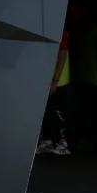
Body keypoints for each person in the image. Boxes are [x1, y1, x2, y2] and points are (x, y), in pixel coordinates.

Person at [36, 28, 75, 156]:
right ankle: (48, 142)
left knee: (59, 113)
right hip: (52, 80)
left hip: (59, 82)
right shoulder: (50, 30)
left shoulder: (60, 32)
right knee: (49, 112)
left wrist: (55, 81)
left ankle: (62, 143)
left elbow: (62, 55)